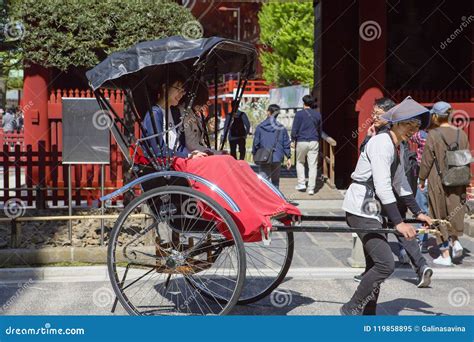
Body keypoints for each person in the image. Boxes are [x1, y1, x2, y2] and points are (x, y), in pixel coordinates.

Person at [341, 97, 433, 315]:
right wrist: (399, 223)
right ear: (397, 123)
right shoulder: (382, 143)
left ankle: (368, 314)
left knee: (375, 266)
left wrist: (419, 213)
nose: (414, 130)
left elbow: (400, 184)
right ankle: (351, 307)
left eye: (417, 126)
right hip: (360, 207)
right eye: (410, 125)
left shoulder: (397, 145)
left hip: (371, 208)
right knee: (385, 264)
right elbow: (383, 187)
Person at [419, 101, 468, 266]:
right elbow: (466, 160)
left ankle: (445, 254)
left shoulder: (434, 134)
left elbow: (426, 160)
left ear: (435, 116)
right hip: (458, 178)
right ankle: (456, 242)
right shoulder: (461, 134)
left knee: (438, 214)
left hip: (437, 179)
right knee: (454, 210)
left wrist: (421, 178)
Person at [252, 104, 291, 187]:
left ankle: (264, 199)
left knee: (263, 182)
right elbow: (286, 143)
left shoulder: (260, 127)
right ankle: (275, 198)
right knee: (275, 182)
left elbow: (256, 143)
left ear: (268, 112)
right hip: (277, 157)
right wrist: (288, 157)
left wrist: (254, 153)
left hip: (264, 156)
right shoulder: (281, 128)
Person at [291, 95, 322, 195]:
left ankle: (301, 183)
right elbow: (320, 130)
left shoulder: (299, 114)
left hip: (302, 141)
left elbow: (294, 129)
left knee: (300, 162)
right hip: (314, 141)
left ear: (303, 103)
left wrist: (293, 140)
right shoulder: (318, 115)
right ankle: (311, 188)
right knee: (313, 165)